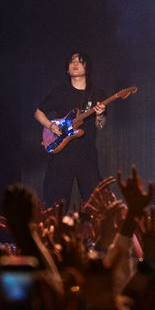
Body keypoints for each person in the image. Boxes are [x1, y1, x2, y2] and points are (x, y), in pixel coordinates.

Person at [34, 52, 107, 207]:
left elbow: (100, 125)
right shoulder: (59, 92)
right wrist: (51, 126)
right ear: (67, 69)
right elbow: (38, 113)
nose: (75, 64)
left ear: (87, 67)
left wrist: (100, 115)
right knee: (55, 205)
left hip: (86, 155)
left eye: (80, 61)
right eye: (72, 61)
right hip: (61, 154)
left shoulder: (97, 94)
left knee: (94, 205)